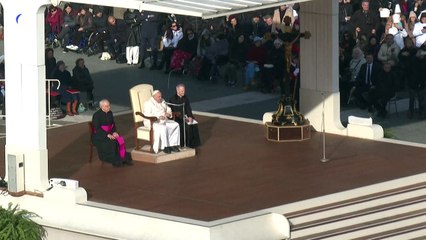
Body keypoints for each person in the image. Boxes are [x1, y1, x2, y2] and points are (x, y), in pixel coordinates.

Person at [92, 99, 132, 167]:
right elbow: (97, 129)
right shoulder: (96, 115)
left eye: (109, 105)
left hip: (109, 133)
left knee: (120, 139)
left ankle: (123, 159)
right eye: (107, 106)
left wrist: (114, 132)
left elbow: (112, 124)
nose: (109, 107)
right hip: (100, 136)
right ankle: (116, 161)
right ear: (102, 107)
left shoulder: (110, 113)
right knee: (113, 142)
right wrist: (107, 135)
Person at [168, 84, 201, 148]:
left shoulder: (185, 98)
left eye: (184, 91)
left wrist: (190, 116)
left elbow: (188, 108)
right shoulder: (172, 99)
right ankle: (183, 144)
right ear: (177, 90)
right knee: (185, 126)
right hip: (177, 117)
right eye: (182, 91)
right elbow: (174, 111)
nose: (183, 92)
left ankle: (192, 144)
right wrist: (183, 118)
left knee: (193, 124)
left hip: (185, 116)